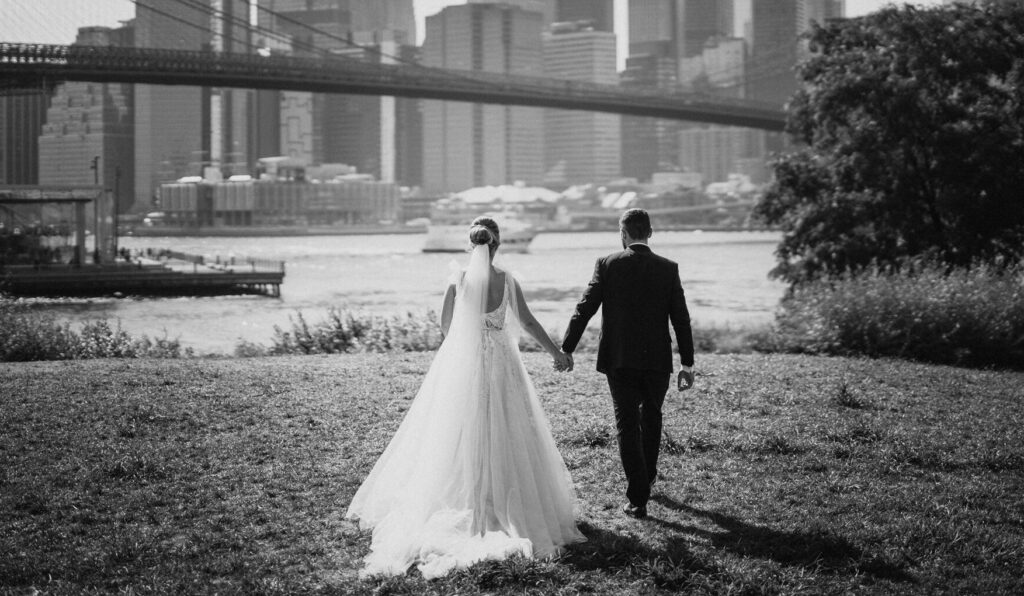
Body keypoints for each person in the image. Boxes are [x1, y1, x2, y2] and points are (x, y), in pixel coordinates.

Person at [346, 216, 584, 578]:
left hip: (467, 362)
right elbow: (530, 323)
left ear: (471, 245)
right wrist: (557, 354)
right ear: (497, 243)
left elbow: (445, 326)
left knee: (458, 429)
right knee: (509, 427)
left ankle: (467, 495)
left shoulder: (458, 280)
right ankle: (506, 499)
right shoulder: (507, 281)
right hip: (503, 365)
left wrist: (464, 343)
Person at [560, 208, 695, 520]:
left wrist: (567, 347)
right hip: (658, 360)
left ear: (623, 234)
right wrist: (687, 363)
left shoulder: (607, 265)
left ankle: (638, 498)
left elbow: (585, 308)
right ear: (650, 233)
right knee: (652, 417)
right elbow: (681, 319)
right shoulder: (668, 268)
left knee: (626, 424)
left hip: (620, 359)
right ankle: (645, 480)